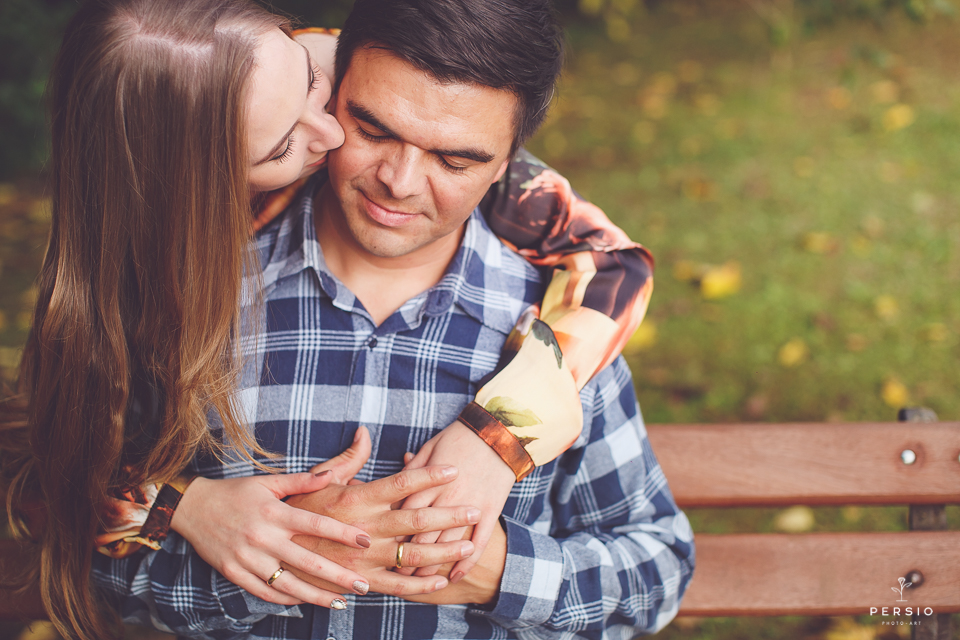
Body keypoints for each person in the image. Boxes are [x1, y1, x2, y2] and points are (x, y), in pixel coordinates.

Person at [0, 0, 664, 638]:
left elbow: (656, 569)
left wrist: (496, 565)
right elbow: (76, 530)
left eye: (456, 159)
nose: (400, 181)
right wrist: (205, 523)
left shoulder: (568, 331)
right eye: (371, 129)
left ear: (508, 161)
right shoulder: (183, 301)